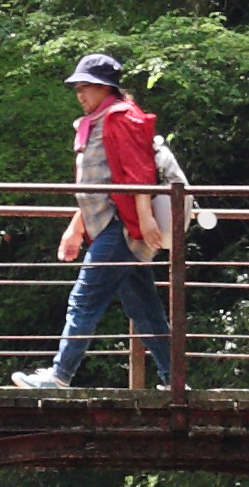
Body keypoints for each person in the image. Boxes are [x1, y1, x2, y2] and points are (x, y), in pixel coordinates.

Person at [15, 52, 173, 390]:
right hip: (112, 225)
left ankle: (59, 376)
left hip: (121, 226)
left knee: (84, 298)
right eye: (77, 88)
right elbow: (97, 183)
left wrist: (145, 220)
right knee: (144, 309)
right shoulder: (99, 120)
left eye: (86, 87)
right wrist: (76, 227)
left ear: (106, 88)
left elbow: (139, 173)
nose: (80, 95)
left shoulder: (120, 117)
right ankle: (175, 381)